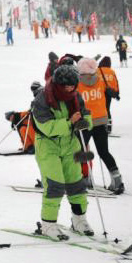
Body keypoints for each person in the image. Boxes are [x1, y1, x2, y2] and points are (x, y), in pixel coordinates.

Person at [29, 65, 94, 239]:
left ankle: (79, 220)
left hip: (70, 145)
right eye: (66, 86)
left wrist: (84, 122)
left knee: (76, 184)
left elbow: (85, 113)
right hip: (48, 146)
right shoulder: (42, 99)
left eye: (73, 85)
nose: (70, 89)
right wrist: (70, 123)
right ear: (58, 84)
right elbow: (47, 127)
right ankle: (48, 224)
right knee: (55, 185)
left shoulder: (75, 96)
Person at [75, 58, 124, 193]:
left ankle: (84, 179)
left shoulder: (77, 83)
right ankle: (117, 180)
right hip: (101, 120)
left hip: (85, 121)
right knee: (104, 151)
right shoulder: (100, 80)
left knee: (81, 151)